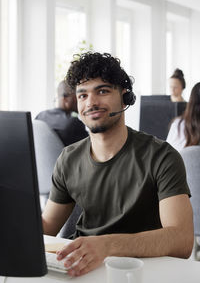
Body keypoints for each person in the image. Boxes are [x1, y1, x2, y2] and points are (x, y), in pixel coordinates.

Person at [42, 52, 193, 277]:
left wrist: (107, 245)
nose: (91, 102)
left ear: (125, 97)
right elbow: (47, 227)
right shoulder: (68, 158)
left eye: (102, 91)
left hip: (139, 271)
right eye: (82, 95)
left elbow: (181, 240)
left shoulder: (162, 157)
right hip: (82, 269)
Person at [35, 80, 88, 146]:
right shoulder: (73, 123)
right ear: (65, 99)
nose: (80, 100)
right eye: (79, 96)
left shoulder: (41, 115)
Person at [167, 82, 200, 151]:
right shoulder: (178, 124)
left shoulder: (178, 124)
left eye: (175, 87)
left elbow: (167, 152)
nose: (172, 90)